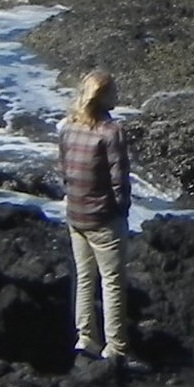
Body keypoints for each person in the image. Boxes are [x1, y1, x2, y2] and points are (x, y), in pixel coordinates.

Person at [58, 69, 133, 363]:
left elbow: (64, 171)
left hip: (76, 213)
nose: (118, 96)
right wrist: (122, 209)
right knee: (112, 281)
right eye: (114, 91)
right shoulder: (111, 132)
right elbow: (119, 179)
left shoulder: (68, 127)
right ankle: (116, 346)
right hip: (103, 217)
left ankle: (86, 338)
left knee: (85, 277)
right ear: (103, 97)